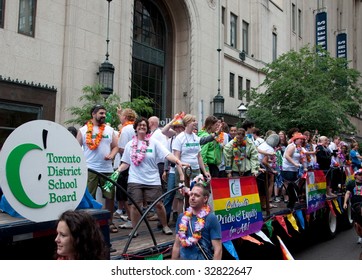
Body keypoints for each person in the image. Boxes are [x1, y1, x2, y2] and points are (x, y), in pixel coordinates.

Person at [117, 117, 188, 237]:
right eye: (139, 125)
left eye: (144, 125)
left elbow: (167, 154)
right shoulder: (130, 144)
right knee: (135, 205)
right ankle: (134, 229)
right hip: (135, 179)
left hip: (152, 179)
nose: (142, 127)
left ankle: (164, 226)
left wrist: (178, 161)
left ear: (147, 128)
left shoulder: (154, 143)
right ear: (136, 128)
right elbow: (125, 163)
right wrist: (117, 171)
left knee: (159, 204)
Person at [77, 104, 119, 233]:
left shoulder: (109, 130)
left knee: (110, 197)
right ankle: (90, 223)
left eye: (104, 113)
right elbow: (75, 148)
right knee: (90, 197)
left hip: (107, 169)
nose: (104, 116)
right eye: (101, 113)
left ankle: (110, 221)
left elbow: (116, 146)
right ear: (93, 114)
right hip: (90, 169)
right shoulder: (83, 130)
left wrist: (112, 155)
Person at [171, 183, 222, 260]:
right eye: (191, 194)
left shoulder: (211, 218)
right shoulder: (182, 217)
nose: (192, 198)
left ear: (205, 199)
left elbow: (218, 249)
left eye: (197, 195)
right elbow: (177, 245)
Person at [115, 106, 137, 229]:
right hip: (136, 165)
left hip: (126, 164)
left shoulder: (125, 129)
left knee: (124, 193)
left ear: (126, 117)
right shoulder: (136, 127)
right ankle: (132, 219)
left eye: (122, 116)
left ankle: (130, 220)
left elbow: (121, 148)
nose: (120, 118)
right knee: (132, 193)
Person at [281, 132, 308, 207]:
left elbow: (303, 156)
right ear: (295, 139)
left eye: (302, 139)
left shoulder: (298, 147)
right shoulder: (292, 146)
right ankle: (288, 199)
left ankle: (292, 199)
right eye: (300, 139)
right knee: (289, 184)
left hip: (295, 169)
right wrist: (294, 164)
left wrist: (304, 166)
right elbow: (287, 156)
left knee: (293, 183)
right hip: (287, 168)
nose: (301, 141)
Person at [343, 169, 362, 244]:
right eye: (360, 175)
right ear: (356, 175)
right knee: (357, 224)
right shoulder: (351, 183)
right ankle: (360, 236)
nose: (361, 176)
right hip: (355, 204)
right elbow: (347, 193)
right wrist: (345, 202)